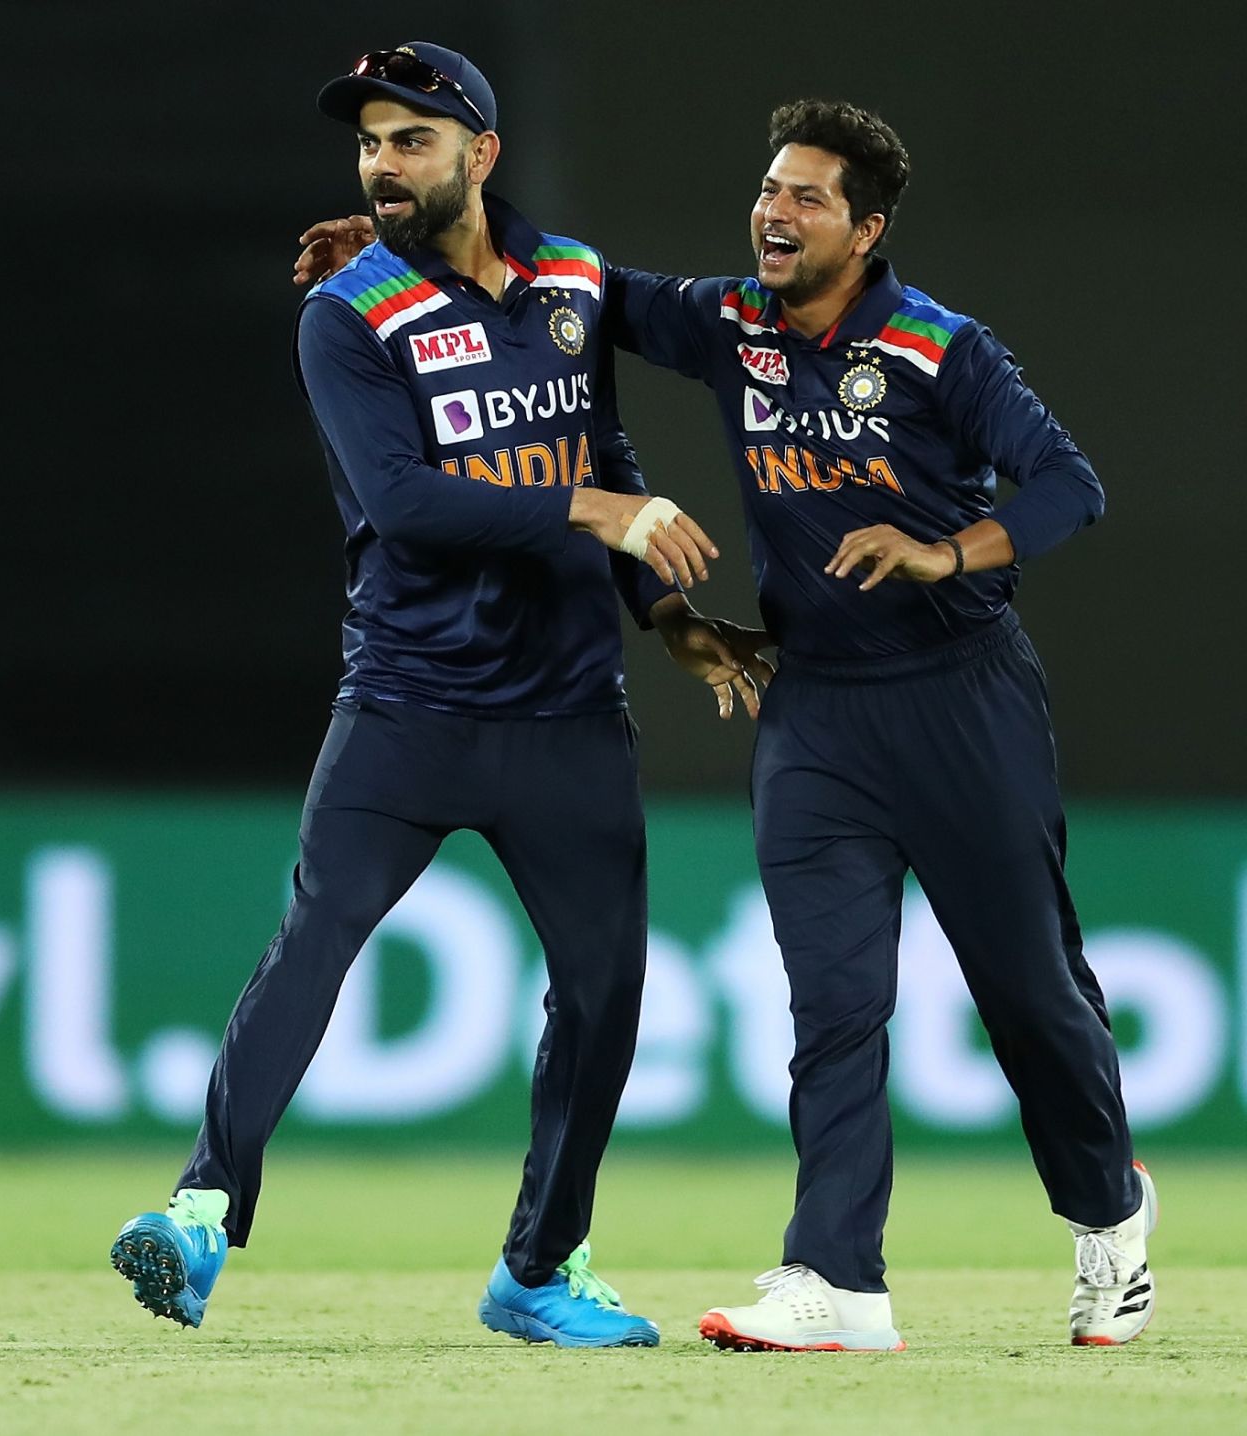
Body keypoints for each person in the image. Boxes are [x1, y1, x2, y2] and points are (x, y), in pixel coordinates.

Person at [294, 101, 1155, 1351]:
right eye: (768, 188)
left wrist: (940, 551)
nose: (773, 210)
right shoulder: (728, 322)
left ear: (865, 230)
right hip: (812, 713)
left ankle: (1107, 1212)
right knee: (832, 1005)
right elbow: (561, 285)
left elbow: (1070, 484)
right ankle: (834, 1281)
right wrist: (385, 258)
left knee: (1027, 997)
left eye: (807, 197)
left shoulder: (937, 348)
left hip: (960, 697)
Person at [108, 41, 772, 1350]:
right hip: (406, 708)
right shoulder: (344, 311)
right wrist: (604, 509)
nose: (382, 161)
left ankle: (537, 1269)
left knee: (607, 995)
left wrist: (674, 619)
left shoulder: (572, 282)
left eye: (412, 136)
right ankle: (198, 1207)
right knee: (314, 944)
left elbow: (606, 448)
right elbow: (409, 508)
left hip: (569, 717)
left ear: (483, 152)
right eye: (368, 141)